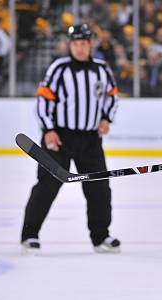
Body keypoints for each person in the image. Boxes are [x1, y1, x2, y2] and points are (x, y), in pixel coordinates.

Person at [21, 24, 120, 254]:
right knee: (47, 184)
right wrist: (48, 129)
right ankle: (30, 234)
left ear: (90, 45)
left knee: (99, 188)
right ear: (69, 45)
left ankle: (101, 236)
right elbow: (44, 100)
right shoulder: (58, 68)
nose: (80, 48)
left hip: (90, 139)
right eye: (75, 43)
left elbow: (112, 97)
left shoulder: (102, 69)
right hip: (60, 137)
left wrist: (106, 118)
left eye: (84, 43)